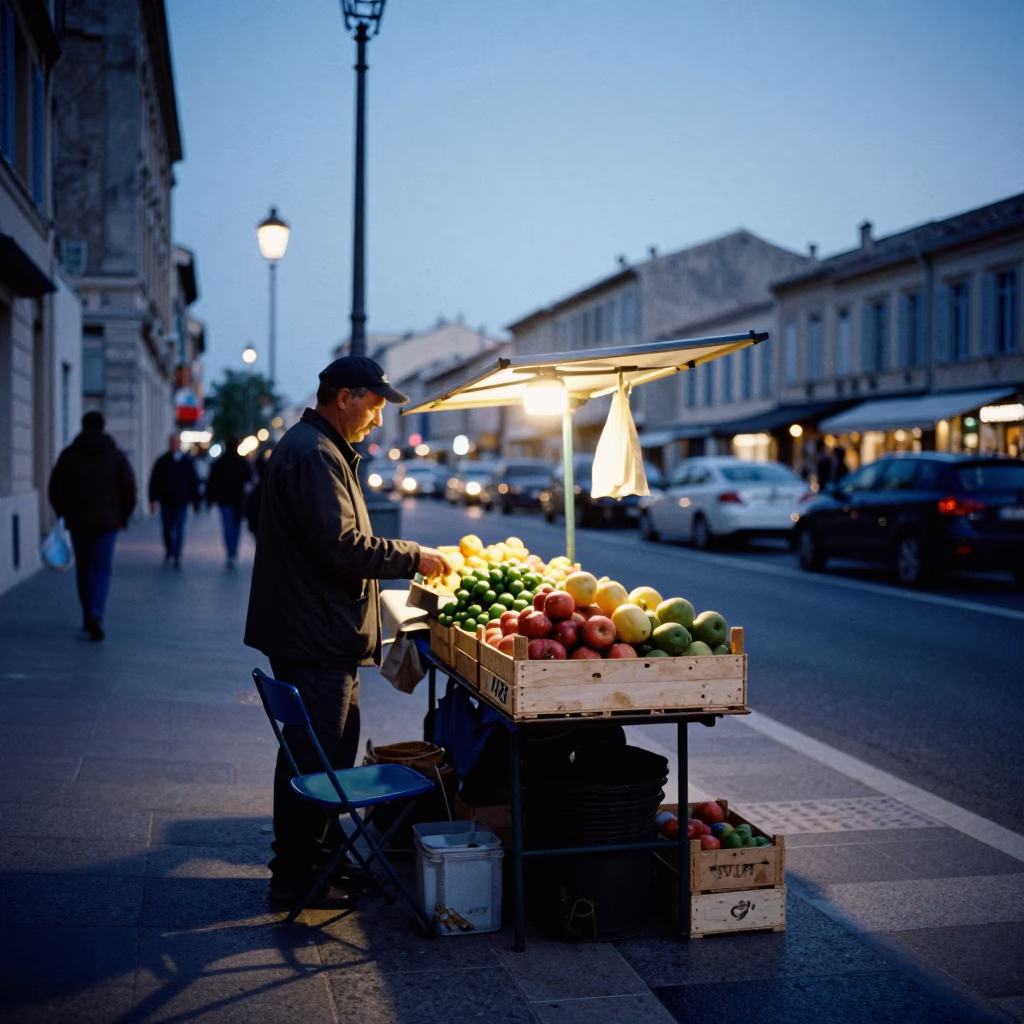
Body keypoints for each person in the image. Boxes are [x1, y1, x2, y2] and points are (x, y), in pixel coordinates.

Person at [244, 355, 451, 910]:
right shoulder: (314, 456)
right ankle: (297, 875)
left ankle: (321, 861)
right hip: (315, 635)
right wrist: (415, 557)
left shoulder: (321, 450)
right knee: (313, 761)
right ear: (345, 397)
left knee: (322, 755)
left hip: (318, 630)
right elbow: (340, 547)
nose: (379, 419)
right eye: (375, 405)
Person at [47, 411, 137, 641]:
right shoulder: (115, 455)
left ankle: (88, 610)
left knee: (84, 567)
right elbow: (129, 487)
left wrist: (62, 513)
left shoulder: (69, 455)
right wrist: (123, 516)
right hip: (107, 522)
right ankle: (96, 611)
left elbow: (55, 487)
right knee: (102, 568)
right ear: (103, 426)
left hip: (78, 520)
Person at [148, 434, 201, 568]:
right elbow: (154, 481)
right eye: (172, 442)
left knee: (179, 528)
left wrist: (196, 501)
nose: (174, 445)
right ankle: (169, 551)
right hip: (166, 501)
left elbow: (193, 481)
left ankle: (177, 555)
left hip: (181, 501)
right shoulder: (162, 461)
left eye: (176, 442)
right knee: (167, 528)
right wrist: (152, 499)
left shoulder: (186, 461)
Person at [205, 438, 252, 568]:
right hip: (238, 499)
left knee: (227, 527)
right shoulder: (242, 462)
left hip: (224, 499)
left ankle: (230, 553)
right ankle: (233, 551)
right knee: (236, 527)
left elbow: (212, 481)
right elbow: (248, 481)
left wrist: (209, 499)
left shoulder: (220, 462)